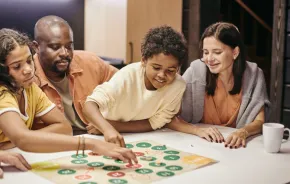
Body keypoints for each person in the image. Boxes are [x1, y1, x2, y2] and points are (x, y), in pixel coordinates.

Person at [0, 28, 137, 164]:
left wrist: (18, 140)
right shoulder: (2, 93)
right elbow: (23, 139)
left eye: (29, 61)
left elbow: (64, 128)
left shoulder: (30, 88)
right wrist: (91, 144)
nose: (28, 70)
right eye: (17, 66)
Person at [83, 25, 188, 147]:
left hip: (138, 135)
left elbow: (154, 123)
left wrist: (113, 126)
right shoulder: (127, 76)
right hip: (103, 135)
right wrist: (107, 129)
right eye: (156, 68)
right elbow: (89, 105)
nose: (162, 75)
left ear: (178, 68)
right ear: (144, 60)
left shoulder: (178, 85)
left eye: (170, 70)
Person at [173, 22, 271, 148]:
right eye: (206, 52)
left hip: (237, 148)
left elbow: (259, 120)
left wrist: (242, 132)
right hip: (199, 145)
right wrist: (197, 130)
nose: (209, 59)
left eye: (217, 52)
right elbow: (171, 117)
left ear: (235, 52)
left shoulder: (254, 74)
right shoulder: (195, 71)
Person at [33, 15, 118, 135]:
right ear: (36, 47)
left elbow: (127, 85)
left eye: (69, 46)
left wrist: (109, 124)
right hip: (54, 144)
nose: (64, 53)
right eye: (55, 47)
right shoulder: (27, 77)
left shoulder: (90, 62)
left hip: (96, 136)